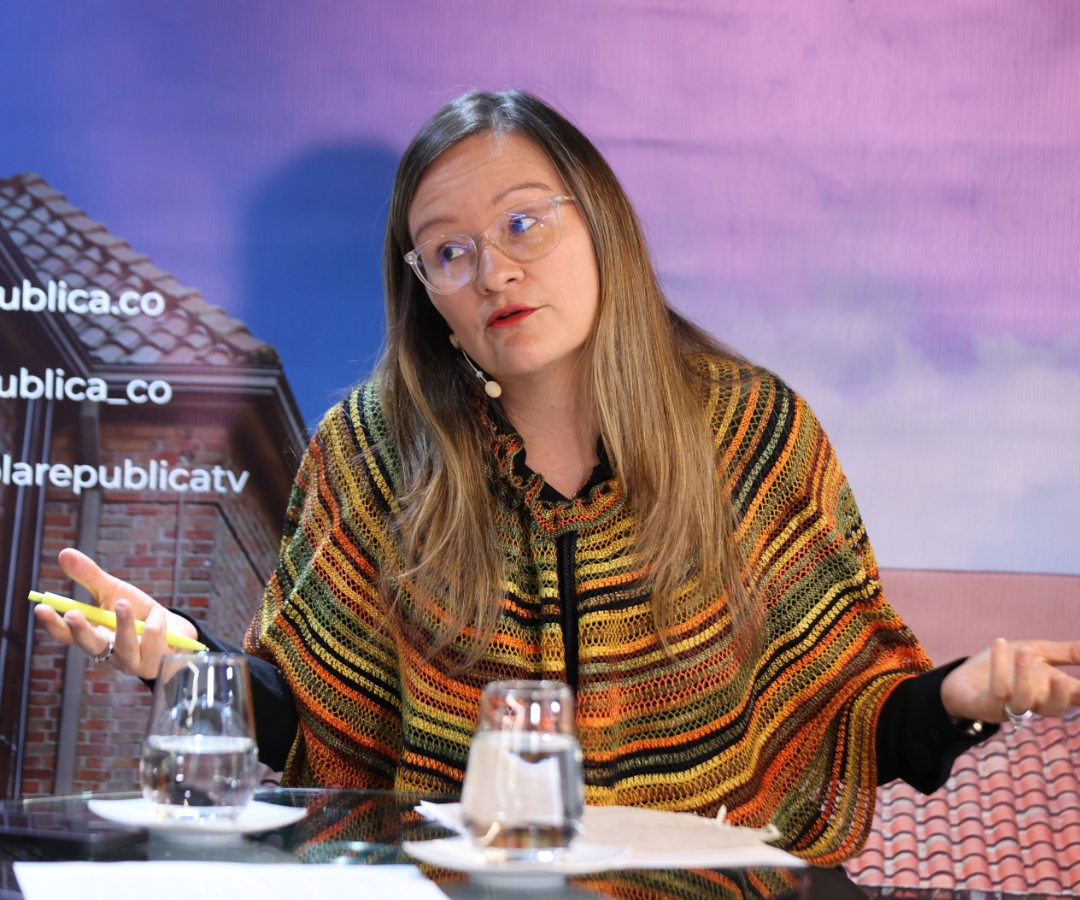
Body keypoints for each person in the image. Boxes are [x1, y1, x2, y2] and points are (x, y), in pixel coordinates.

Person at [35, 90, 1080, 866]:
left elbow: (850, 711)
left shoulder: (753, 434)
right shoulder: (368, 454)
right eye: (448, 253)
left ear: (599, 221)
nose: (494, 270)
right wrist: (184, 661)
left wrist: (963, 695)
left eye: (523, 223)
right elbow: (317, 720)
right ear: (425, 292)